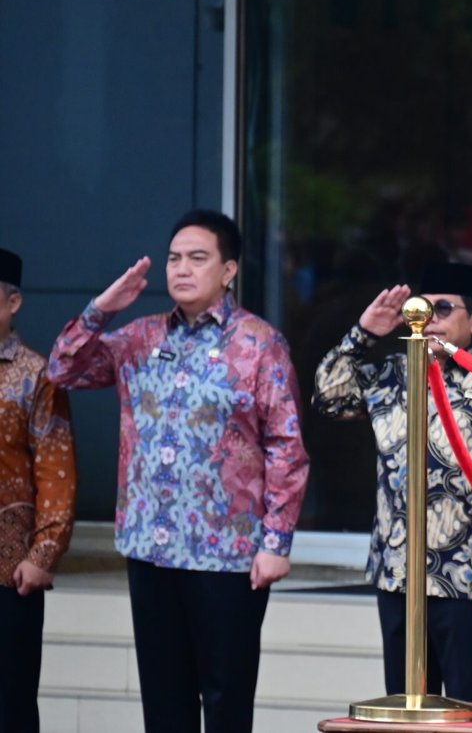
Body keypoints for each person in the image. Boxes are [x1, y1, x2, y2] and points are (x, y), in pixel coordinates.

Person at [47, 210, 308, 733]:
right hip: (152, 548)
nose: (182, 268)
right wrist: (101, 309)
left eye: (197, 258)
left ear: (228, 270)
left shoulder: (260, 344)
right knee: (164, 704)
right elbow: (63, 369)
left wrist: (276, 541)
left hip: (227, 556)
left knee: (226, 699)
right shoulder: (139, 338)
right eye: (174, 259)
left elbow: (286, 447)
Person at [312, 261, 472, 702]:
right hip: (397, 575)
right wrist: (365, 332)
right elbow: (329, 397)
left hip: (467, 578)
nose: (429, 317)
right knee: (404, 709)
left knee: (471, 713)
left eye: (443, 308)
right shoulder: (392, 375)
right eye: (422, 307)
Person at [0, 248, 75, 733]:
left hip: (11, 567)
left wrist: (44, 553)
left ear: (13, 303)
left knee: (11, 704)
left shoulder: (36, 374)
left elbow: (56, 469)